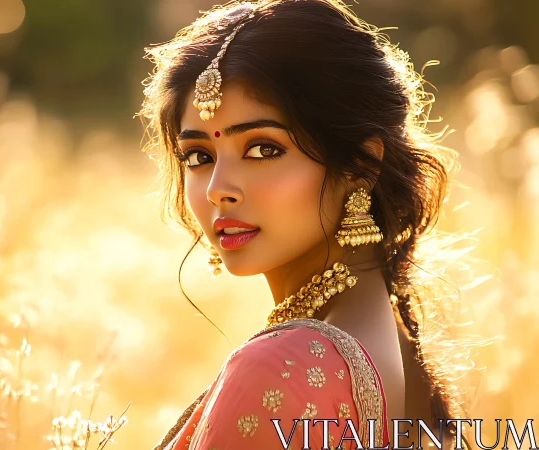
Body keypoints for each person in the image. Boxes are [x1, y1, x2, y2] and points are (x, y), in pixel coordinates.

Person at [139, 1, 474, 449]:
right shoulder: (405, 355)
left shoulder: (279, 366)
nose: (219, 188)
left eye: (262, 149)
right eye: (199, 156)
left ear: (360, 165)